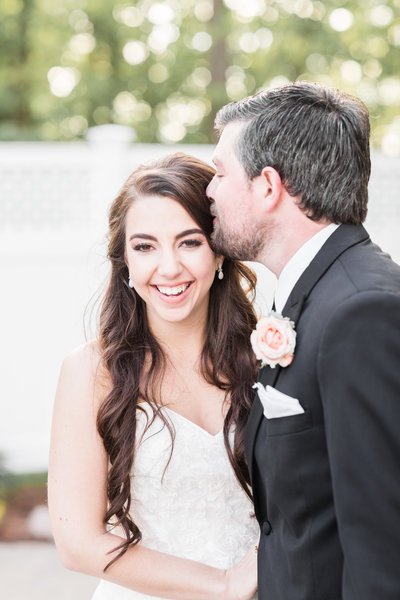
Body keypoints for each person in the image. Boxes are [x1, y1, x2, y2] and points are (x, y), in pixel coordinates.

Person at [206, 81, 400, 600]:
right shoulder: (314, 295)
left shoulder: (362, 311)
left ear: (268, 186)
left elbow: (384, 544)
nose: (209, 190)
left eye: (221, 173)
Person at [48, 152, 259, 600]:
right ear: (124, 260)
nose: (168, 268)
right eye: (145, 246)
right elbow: (78, 544)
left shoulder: (266, 357)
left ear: (218, 250)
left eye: (189, 242)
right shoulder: (90, 372)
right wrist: (223, 586)